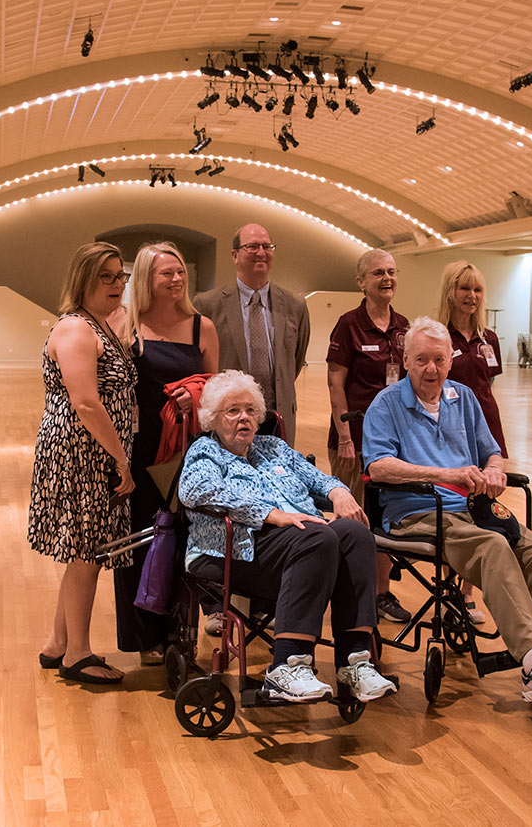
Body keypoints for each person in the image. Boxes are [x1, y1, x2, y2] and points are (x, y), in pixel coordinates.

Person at [363, 316, 532, 711]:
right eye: (421, 360)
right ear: (406, 361)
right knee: (492, 546)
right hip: (419, 511)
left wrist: (493, 470)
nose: (431, 369)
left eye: (439, 360)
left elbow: (492, 451)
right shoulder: (387, 404)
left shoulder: (464, 398)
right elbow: (379, 467)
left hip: (471, 509)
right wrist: (445, 474)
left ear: (450, 362)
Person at [178, 370, 395, 705]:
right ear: (212, 418)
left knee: (354, 533)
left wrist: (339, 493)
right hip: (233, 548)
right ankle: (288, 666)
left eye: (251, 411)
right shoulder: (206, 452)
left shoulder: (273, 448)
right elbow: (194, 490)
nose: (244, 418)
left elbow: (318, 477)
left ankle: (355, 661)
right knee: (317, 536)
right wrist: (270, 514)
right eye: (232, 411)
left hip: (298, 543)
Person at [29, 242, 137, 685]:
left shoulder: (100, 324)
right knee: (88, 554)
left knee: (83, 553)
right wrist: (120, 459)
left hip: (90, 451)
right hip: (81, 455)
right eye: (105, 277)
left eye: (120, 276)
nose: (116, 284)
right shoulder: (75, 328)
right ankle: (78, 654)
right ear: (83, 280)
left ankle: (58, 643)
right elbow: (87, 404)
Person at [114, 242, 219, 665]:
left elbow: (217, 389)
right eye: (166, 274)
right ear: (145, 279)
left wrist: (197, 399)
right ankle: (145, 638)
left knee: (185, 542)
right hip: (140, 450)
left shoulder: (202, 327)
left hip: (188, 449)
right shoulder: (125, 325)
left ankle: (182, 632)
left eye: (180, 272)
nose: (176, 280)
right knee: (141, 539)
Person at [326, 248, 411, 625]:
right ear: (361, 281)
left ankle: (381, 594)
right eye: (378, 273)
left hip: (391, 445)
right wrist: (345, 437)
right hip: (354, 440)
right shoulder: (348, 324)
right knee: (348, 518)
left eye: (391, 271)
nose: (387, 278)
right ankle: (340, 592)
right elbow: (335, 381)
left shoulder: (404, 327)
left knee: (383, 518)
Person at [193, 223, 311, 447]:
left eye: (267, 246)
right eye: (252, 246)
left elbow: (294, 361)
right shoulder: (208, 304)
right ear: (235, 255)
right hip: (230, 419)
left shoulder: (295, 305)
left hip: (279, 418)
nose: (261, 253)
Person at [436, 261, 507, 624]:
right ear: (451, 292)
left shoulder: (488, 340)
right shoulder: (440, 339)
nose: (472, 296)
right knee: (455, 510)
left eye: (477, 290)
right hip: (452, 432)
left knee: (483, 512)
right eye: (465, 289)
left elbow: (488, 387)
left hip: (486, 430)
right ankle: (447, 589)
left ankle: (466, 594)